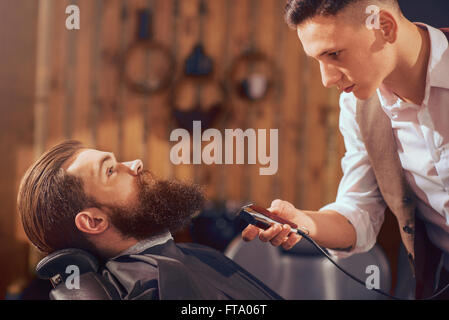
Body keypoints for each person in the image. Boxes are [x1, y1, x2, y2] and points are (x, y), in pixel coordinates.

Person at [242, 0, 449, 299]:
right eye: (318, 60)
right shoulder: (357, 107)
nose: (327, 79)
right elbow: (359, 212)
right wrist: (304, 222)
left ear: (384, 27)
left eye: (335, 54)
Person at [17, 140, 282, 300]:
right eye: (110, 170)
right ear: (94, 222)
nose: (135, 163)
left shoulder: (184, 257)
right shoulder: (155, 284)